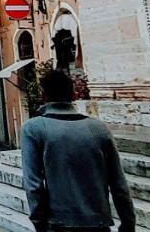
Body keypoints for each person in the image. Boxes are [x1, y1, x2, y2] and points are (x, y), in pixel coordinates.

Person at [21, 69, 135, 232]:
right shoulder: (99, 129)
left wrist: (39, 223)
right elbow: (119, 184)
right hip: (99, 224)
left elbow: (33, 184)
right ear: (73, 94)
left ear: (43, 95)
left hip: (59, 223)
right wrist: (128, 223)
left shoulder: (33, 128)